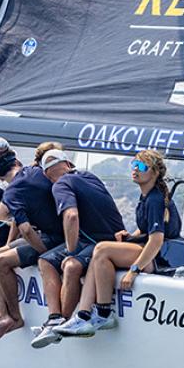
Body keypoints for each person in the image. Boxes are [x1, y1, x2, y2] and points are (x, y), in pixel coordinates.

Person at [57, 149, 181, 338]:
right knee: (99, 257)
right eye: (134, 165)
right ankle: (83, 315)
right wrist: (130, 236)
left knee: (101, 248)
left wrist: (133, 270)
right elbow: (146, 229)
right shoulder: (145, 196)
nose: (135, 169)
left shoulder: (155, 199)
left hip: (158, 259)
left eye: (141, 166)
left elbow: (156, 239)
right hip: (153, 253)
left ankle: (104, 313)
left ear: (154, 172)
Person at [32, 148, 125, 348]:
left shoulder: (60, 184)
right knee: (47, 260)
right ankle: (56, 320)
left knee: (68, 265)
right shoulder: (90, 176)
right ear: (69, 164)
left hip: (101, 244)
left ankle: (58, 322)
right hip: (115, 239)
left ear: (46, 174)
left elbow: (71, 216)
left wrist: (71, 249)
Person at [0, 140, 65, 345]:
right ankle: (2, 314)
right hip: (58, 231)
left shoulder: (10, 193)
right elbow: (20, 227)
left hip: (53, 238)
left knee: (1, 262)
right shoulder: (37, 172)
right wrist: (9, 245)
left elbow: (25, 229)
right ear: (16, 160)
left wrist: (43, 251)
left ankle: (15, 317)